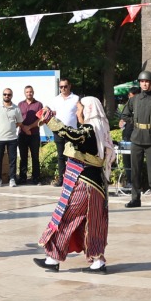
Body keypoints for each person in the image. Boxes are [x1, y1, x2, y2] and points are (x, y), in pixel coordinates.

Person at [35, 95, 113, 273]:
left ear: (87, 110)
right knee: (93, 222)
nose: (77, 112)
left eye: (78, 109)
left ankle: (53, 258)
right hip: (98, 186)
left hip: (84, 183)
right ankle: (97, 261)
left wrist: (49, 119)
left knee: (66, 216)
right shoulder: (101, 129)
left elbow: (69, 133)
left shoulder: (88, 129)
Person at [120, 70, 151, 209]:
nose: (144, 84)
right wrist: (134, 122)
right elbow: (125, 114)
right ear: (140, 83)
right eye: (142, 82)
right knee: (135, 169)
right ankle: (135, 198)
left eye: (147, 81)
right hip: (136, 137)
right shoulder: (134, 100)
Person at [0, 88, 21, 188]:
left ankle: (12, 179)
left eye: (9, 94)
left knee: (12, 159)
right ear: (2, 95)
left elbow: (19, 122)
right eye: (5, 94)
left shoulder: (16, 108)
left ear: (12, 95)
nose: (7, 96)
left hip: (12, 138)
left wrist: (11, 127)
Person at [52, 77, 81, 186]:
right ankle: (61, 179)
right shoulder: (55, 99)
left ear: (69, 86)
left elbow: (80, 113)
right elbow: (52, 113)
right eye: (61, 87)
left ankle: (72, 179)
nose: (63, 89)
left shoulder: (76, 98)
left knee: (72, 155)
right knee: (60, 156)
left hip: (71, 131)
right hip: (59, 131)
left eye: (65, 86)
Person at [17, 85, 45, 185]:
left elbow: (41, 119)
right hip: (22, 134)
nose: (29, 93)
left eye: (31, 91)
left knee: (35, 156)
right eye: (27, 92)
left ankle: (36, 178)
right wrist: (24, 128)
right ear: (25, 93)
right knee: (23, 157)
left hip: (34, 134)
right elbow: (17, 118)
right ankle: (22, 178)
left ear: (33, 92)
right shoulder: (20, 104)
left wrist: (30, 127)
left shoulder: (38, 104)